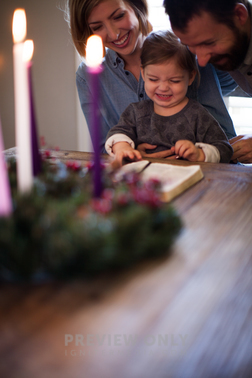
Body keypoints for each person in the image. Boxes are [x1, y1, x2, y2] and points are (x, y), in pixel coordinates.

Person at [66, 0, 236, 157]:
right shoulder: (87, 77)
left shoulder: (185, 53)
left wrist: (196, 154)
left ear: (136, 6)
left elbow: (225, 140)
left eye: (119, 16)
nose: (114, 33)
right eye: (97, 27)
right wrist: (128, 151)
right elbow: (102, 150)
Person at [105, 31, 233, 166]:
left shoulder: (197, 114)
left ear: (190, 77)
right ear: (143, 74)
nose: (163, 87)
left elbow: (224, 149)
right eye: (153, 79)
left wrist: (199, 153)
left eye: (174, 80)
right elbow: (118, 133)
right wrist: (122, 148)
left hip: (187, 182)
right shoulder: (136, 112)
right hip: (145, 182)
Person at [163, 0, 252, 164]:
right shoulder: (230, 44)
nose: (202, 61)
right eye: (191, 45)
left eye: (209, 43)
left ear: (239, 15)